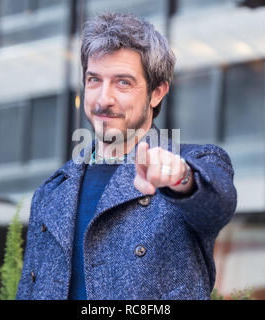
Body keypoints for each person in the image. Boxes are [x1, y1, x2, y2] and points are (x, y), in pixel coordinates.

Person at [16, 12, 237, 300]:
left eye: (122, 83)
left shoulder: (192, 162)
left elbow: (216, 205)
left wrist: (181, 178)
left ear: (157, 93)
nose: (103, 99)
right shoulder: (51, 190)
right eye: (94, 80)